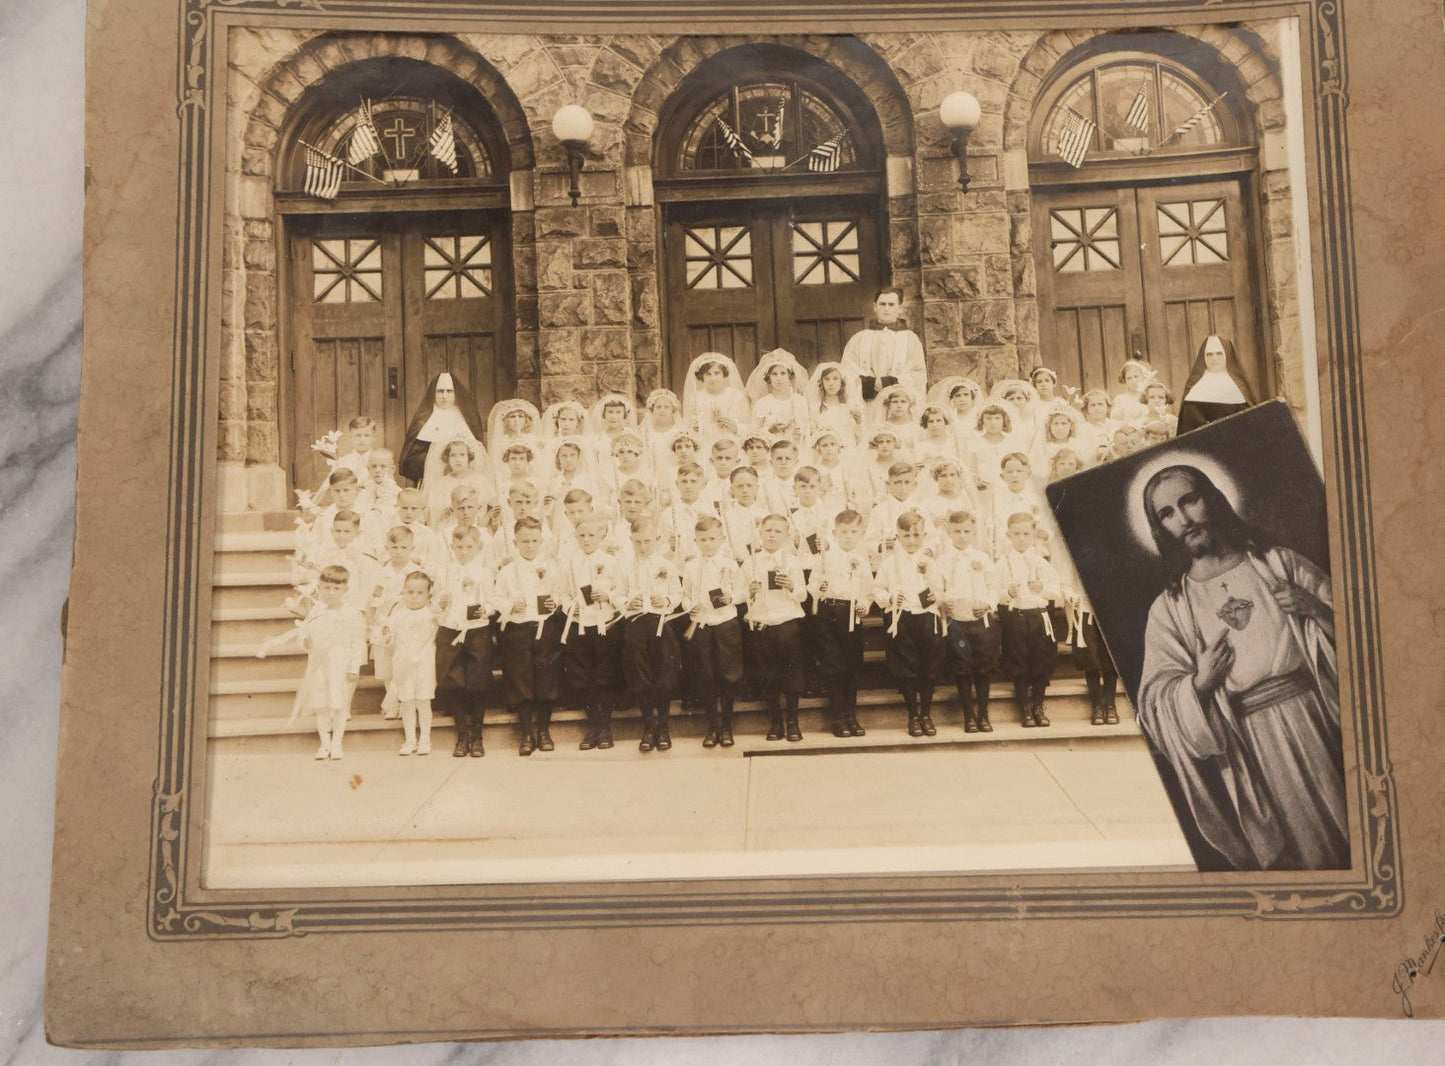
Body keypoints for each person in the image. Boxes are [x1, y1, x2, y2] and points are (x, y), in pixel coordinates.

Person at [1137, 465, 1346, 871]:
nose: (1184, 519)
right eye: (1167, 513)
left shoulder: (1279, 564)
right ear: (1160, 527)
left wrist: (1316, 609)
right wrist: (1197, 684)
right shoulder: (1170, 608)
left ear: (1211, 498)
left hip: (1319, 714)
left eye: (1189, 501)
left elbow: (1371, 635)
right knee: (1306, 852)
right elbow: (1154, 701)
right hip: (1253, 744)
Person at [256, 564, 367, 761]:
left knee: (339, 704)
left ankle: (337, 743)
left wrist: (354, 667)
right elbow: (307, 635)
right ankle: (324, 743)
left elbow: (358, 643)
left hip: (340, 663)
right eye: (326, 588)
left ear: (345, 590)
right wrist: (306, 642)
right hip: (319, 664)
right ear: (320, 587)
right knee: (321, 703)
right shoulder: (317, 610)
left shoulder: (351, 613)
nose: (331, 593)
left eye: (336, 589)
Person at [494, 517, 565, 756]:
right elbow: (497, 599)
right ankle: (526, 732)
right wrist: (510, 606)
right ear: (515, 542)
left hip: (545, 628)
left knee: (546, 678)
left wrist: (555, 601)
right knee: (520, 679)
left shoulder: (551, 567)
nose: (530, 545)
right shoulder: (507, 571)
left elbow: (561, 593)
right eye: (525, 541)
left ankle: (543, 730)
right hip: (518, 629)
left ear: (541, 541)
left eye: (534, 540)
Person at [873, 511, 945, 737]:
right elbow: (878, 589)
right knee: (906, 667)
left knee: (928, 666)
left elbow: (940, 589)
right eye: (906, 536)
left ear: (924, 535)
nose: (912, 541)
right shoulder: (888, 563)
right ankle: (912, 715)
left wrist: (936, 596)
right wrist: (889, 599)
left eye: (917, 535)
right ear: (898, 536)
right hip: (900, 618)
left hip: (926, 618)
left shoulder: (930, 562)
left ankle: (926, 713)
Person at [560, 514, 626, 751]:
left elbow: (622, 592)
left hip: (605, 625)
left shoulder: (612, 562)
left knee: (605, 676)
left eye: (591, 535)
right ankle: (592, 727)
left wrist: (607, 596)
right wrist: (571, 607)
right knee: (584, 677)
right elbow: (564, 594)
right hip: (580, 625)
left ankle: (605, 727)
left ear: (602, 536)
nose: (586, 540)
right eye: (582, 535)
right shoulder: (570, 563)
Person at [618, 517, 684, 752]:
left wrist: (666, 600)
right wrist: (626, 601)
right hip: (636, 622)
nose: (643, 546)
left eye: (647, 541)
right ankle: (648, 727)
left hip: (661, 623)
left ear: (657, 539)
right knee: (640, 675)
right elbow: (616, 592)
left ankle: (664, 727)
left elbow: (677, 594)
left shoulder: (667, 565)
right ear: (631, 541)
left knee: (664, 674)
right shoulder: (624, 565)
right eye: (638, 542)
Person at [681, 515, 746, 747]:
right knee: (706, 675)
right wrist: (691, 606)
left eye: (711, 538)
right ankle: (712, 727)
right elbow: (685, 596)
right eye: (702, 539)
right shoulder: (690, 567)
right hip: (702, 625)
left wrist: (732, 597)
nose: (707, 543)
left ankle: (727, 727)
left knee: (727, 674)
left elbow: (743, 591)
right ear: (695, 541)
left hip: (725, 623)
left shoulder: (729, 564)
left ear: (721, 539)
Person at [743, 514, 809, 742]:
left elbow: (802, 594)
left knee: (791, 675)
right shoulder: (751, 562)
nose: (772, 535)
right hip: (762, 626)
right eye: (768, 530)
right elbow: (742, 597)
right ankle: (775, 721)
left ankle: (792, 720)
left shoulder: (792, 562)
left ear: (786, 536)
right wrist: (749, 591)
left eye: (778, 531)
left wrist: (791, 586)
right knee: (768, 675)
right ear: (760, 533)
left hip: (786, 625)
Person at [807, 510, 873, 737]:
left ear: (861, 534)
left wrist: (864, 603)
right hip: (829, 613)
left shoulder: (862, 562)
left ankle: (851, 716)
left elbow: (868, 592)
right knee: (833, 666)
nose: (849, 536)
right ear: (835, 533)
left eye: (854, 532)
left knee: (851, 667)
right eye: (844, 532)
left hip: (852, 613)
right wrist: (820, 588)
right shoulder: (824, 558)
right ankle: (837, 717)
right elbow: (812, 585)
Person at [937, 510, 1001, 733]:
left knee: (983, 669)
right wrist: (944, 602)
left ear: (973, 532)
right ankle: (969, 716)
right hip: (957, 623)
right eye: (957, 531)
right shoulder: (943, 561)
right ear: (948, 533)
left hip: (980, 622)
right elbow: (938, 589)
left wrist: (988, 603)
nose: (962, 536)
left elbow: (995, 587)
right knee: (962, 669)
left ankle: (983, 714)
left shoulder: (982, 559)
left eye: (966, 531)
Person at [435, 525, 496, 758]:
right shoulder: (445, 572)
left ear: (478, 548)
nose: (464, 552)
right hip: (450, 629)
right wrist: (441, 603)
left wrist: (486, 610)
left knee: (478, 681)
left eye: (469, 547)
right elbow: (435, 605)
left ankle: (477, 734)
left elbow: (492, 602)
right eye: (459, 547)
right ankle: (462, 734)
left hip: (476, 630)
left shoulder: (485, 573)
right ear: (452, 547)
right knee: (454, 681)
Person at [996, 512, 1062, 728]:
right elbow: (994, 592)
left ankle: (1038, 705)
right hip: (1016, 617)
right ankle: (1024, 707)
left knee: (1041, 661)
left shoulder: (1041, 563)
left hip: (1038, 617)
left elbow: (1056, 592)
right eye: (1016, 534)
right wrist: (1007, 593)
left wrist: (1042, 588)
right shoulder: (1003, 563)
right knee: (1019, 661)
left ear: (1034, 535)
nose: (1022, 538)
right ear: (1009, 535)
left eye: (1026, 534)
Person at [377, 570, 442, 757]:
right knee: (406, 702)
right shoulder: (397, 615)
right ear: (403, 592)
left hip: (424, 664)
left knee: (423, 701)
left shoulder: (431, 615)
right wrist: (386, 636)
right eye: (410, 592)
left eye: (420, 593)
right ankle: (410, 739)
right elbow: (391, 641)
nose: (414, 597)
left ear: (429, 595)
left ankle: (425, 739)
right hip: (403, 664)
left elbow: (438, 638)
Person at [841, 287, 927, 414]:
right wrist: (870, 384)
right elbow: (847, 369)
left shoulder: (911, 339)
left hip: (898, 404)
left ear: (900, 308)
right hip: (868, 404)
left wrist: (888, 383)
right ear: (875, 307)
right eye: (882, 304)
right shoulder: (859, 338)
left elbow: (918, 374)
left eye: (891, 305)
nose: (886, 308)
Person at [399, 372, 487, 486]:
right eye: (440, 391)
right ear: (433, 393)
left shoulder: (468, 418)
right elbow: (410, 459)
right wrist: (438, 463)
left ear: (456, 393)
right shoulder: (423, 419)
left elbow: (477, 455)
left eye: (449, 391)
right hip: (432, 480)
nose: (444, 396)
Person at [1178, 335, 1256, 433]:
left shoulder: (1240, 385)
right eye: (1209, 354)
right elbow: (1188, 427)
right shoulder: (1195, 387)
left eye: (1219, 354)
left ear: (1227, 354)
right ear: (1203, 357)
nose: (1214, 358)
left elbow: (1251, 421)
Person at [682, 352, 749, 444]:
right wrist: (693, 429)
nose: (713, 378)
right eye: (708, 374)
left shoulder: (735, 396)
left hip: (731, 443)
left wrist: (736, 428)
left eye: (717, 373)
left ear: (724, 374)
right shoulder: (697, 398)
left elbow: (749, 423)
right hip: (704, 443)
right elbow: (687, 425)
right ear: (702, 376)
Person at [807, 361, 865, 448]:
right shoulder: (815, 407)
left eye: (835, 378)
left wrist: (858, 422)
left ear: (842, 382)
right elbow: (811, 436)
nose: (831, 383)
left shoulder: (851, 406)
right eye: (827, 379)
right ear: (821, 382)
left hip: (848, 448)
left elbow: (861, 437)